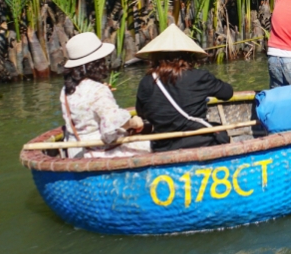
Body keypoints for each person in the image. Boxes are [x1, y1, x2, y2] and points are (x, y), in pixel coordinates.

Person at [135, 24, 235, 152]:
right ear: (189, 55)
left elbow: (141, 113)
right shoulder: (199, 76)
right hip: (201, 142)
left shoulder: (146, 82)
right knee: (220, 131)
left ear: (155, 57)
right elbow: (228, 93)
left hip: (163, 148)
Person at [58, 32, 150, 158]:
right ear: (97, 63)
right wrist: (132, 123)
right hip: (99, 151)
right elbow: (109, 133)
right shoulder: (98, 90)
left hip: (75, 150)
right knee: (153, 145)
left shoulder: (65, 90)